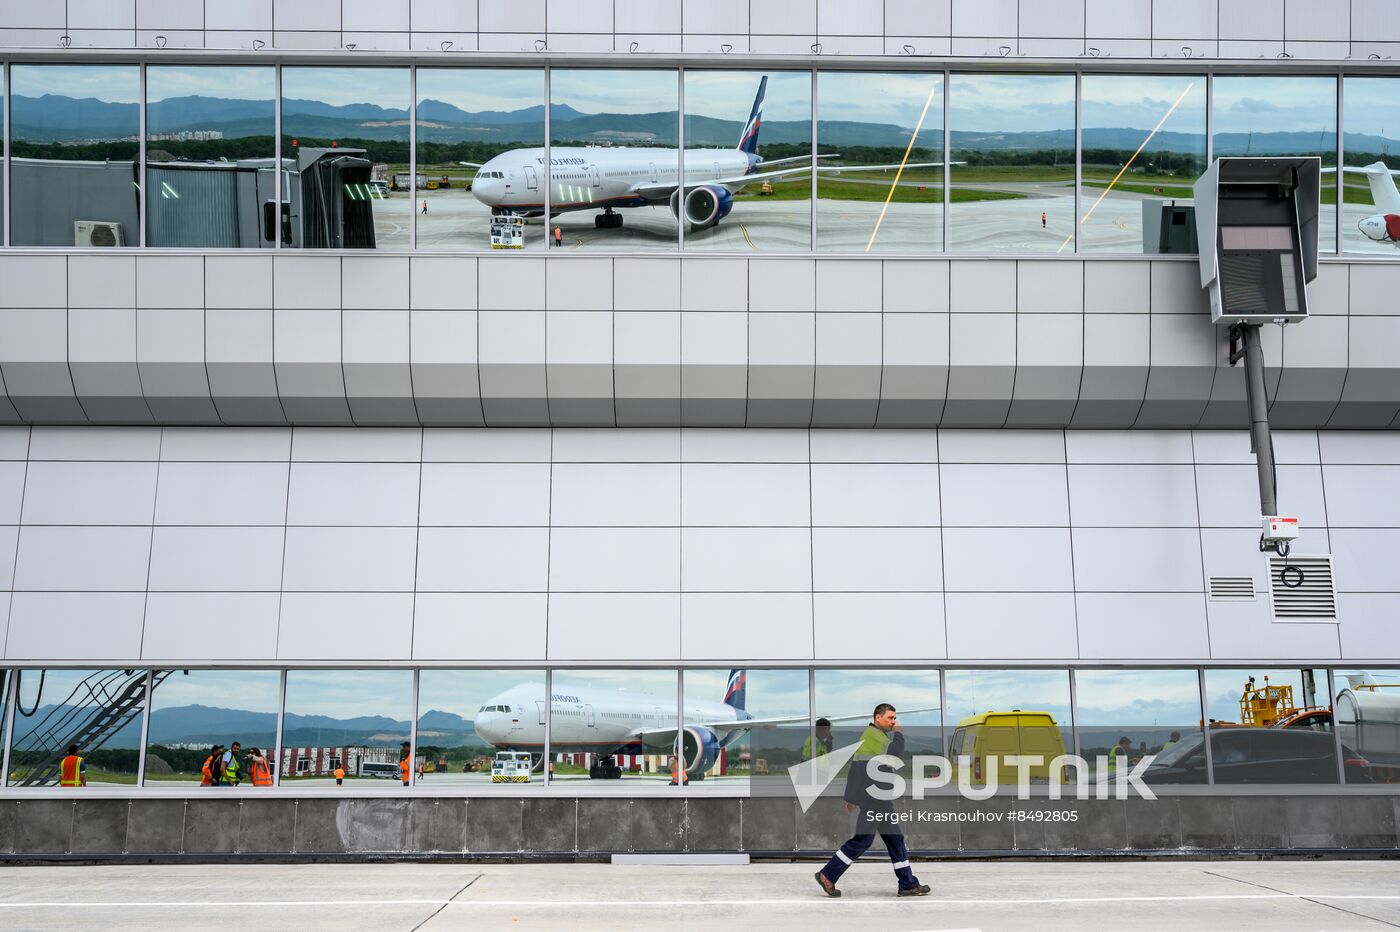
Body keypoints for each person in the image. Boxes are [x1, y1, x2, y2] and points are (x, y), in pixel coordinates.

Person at [815, 703, 930, 898]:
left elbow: (856, 769)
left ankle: (908, 883)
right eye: (890, 718)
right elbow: (895, 753)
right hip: (875, 799)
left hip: (879, 798)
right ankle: (827, 875)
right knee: (863, 839)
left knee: (895, 839)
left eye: (895, 719)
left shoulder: (871, 737)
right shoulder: (874, 735)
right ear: (878, 718)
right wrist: (900, 734)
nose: (894, 722)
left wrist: (851, 798)